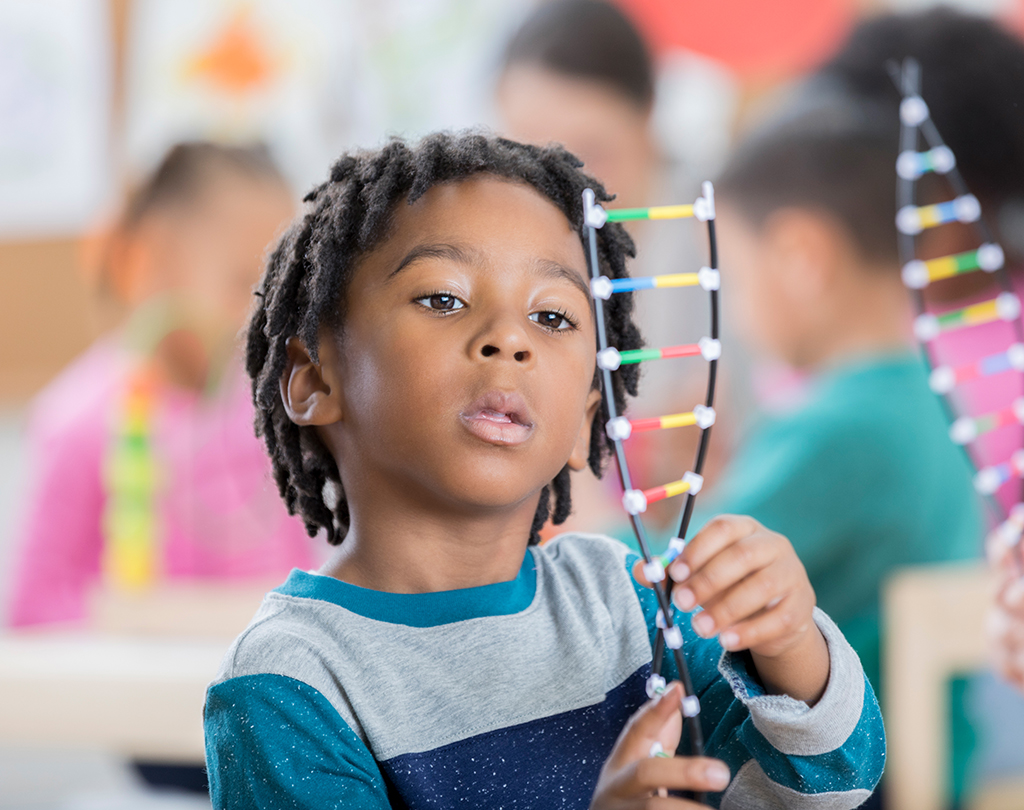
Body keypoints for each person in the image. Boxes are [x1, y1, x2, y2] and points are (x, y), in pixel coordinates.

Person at [203, 132, 884, 808]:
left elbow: (828, 790)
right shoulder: (290, 684)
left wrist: (791, 645)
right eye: (443, 298)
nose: (511, 339)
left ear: (588, 416)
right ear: (314, 379)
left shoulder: (624, 603)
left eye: (553, 316)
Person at [7, 142, 317, 629]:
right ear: (150, 263)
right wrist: (135, 623)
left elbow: (308, 576)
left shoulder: (275, 419)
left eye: (283, 287)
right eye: (242, 282)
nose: (267, 317)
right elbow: (30, 612)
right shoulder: (79, 425)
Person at [496, 0, 743, 540]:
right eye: (526, 150)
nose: (559, 183)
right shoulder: (495, 245)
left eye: (592, 151)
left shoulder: (725, 239)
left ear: (649, 115)